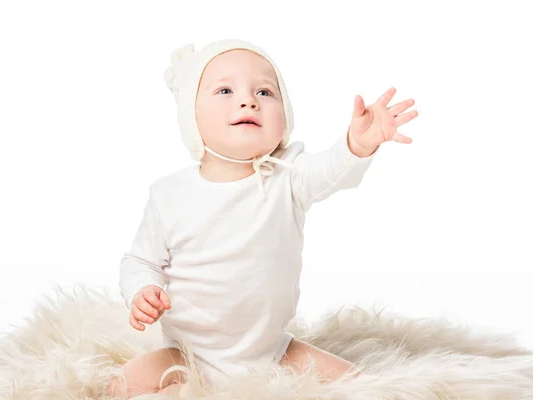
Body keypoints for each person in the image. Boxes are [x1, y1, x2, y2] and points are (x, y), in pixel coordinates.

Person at [108, 38, 418, 398]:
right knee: (120, 385)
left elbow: (332, 171)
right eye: (225, 90)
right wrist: (142, 290)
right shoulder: (169, 194)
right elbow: (140, 260)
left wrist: (356, 145)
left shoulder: (288, 174)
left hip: (272, 352)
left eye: (265, 92)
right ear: (191, 117)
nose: (248, 100)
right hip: (186, 353)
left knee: (361, 384)